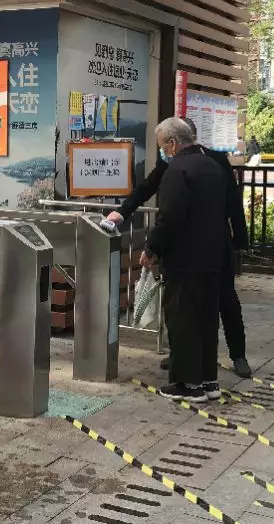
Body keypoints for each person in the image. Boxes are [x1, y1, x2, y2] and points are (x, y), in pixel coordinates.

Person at [107, 117, 251, 377]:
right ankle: (181, 356)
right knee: (182, 307)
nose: (164, 151)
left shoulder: (215, 161)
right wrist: (123, 211)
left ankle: (238, 355)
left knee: (225, 300)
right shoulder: (171, 162)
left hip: (216, 244)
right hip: (187, 247)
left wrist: (240, 240)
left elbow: (233, 202)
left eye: (165, 145)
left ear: (179, 140)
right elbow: (147, 187)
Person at [142, 118, 230, 403]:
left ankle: (188, 385)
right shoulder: (212, 166)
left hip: (184, 258)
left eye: (162, 146)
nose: (163, 152)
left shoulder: (177, 170)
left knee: (183, 320)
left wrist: (152, 248)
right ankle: (208, 381)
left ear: (172, 143)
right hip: (212, 256)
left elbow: (169, 218)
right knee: (206, 320)